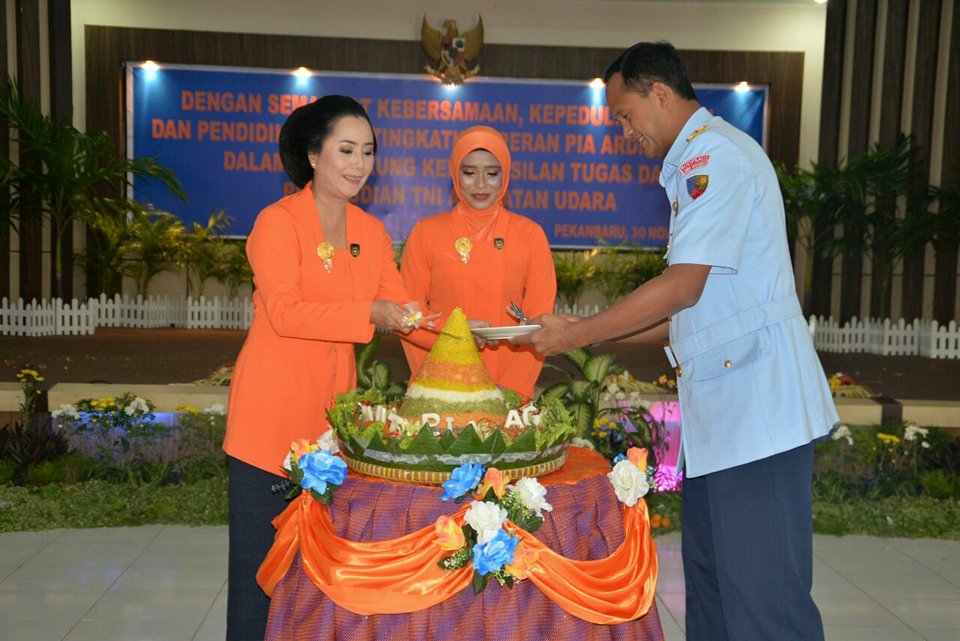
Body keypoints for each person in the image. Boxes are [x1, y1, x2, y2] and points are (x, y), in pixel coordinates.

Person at [516, 42, 838, 640]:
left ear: (658, 93)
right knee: (714, 600)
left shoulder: (713, 160)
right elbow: (685, 315)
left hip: (758, 420)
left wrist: (576, 334)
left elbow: (680, 289)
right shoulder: (695, 165)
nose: (623, 131)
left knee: (766, 606)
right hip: (724, 425)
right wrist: (569, 336)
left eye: (624, 114)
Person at [222, 96, 425, 641]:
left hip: (329, 435)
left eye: (368, 151)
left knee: (315, 580)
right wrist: (370, 313)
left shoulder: (371, 232)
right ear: (313, 156)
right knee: (257, 579)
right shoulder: (277, 222)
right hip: (268, 429)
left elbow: (406, 314)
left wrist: (474, 333)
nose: (359, 164)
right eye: (346, 150)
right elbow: (285, 314)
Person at [400, 125, 556, 399]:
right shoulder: (426, 233)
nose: (481, 185)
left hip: (510, 386)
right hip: (440, 386)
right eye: (469, 173)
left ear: (505, 175)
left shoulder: (530, 235)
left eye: (492, 174)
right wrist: (443, 361)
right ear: (454, 174)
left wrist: (508, 392)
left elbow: (536, 322)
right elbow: (408, 315)